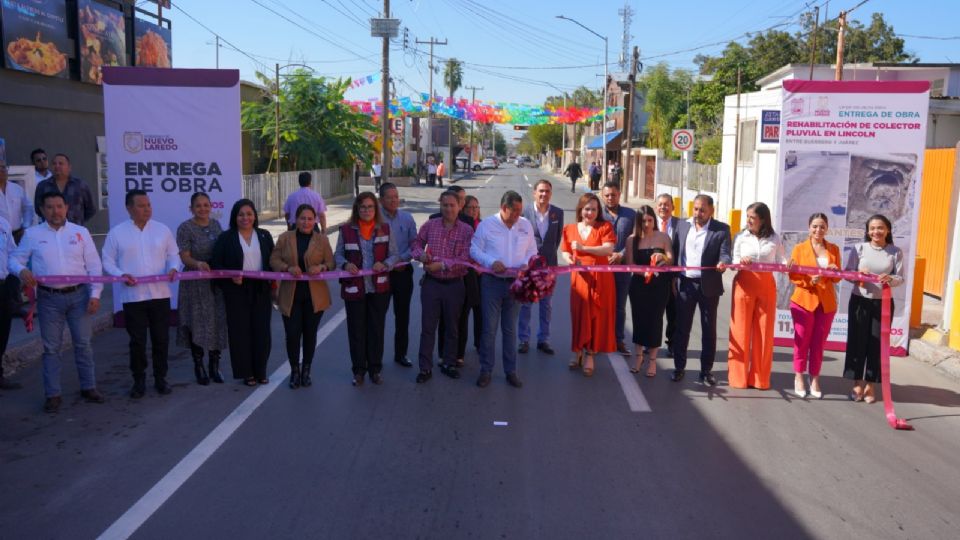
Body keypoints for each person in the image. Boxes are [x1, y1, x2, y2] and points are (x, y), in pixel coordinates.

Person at [10, 192, 104, 412]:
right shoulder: (32, 234)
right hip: (48, 298)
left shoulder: (80, 233)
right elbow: (14, 259)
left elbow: (94, 266)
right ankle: (53, 394)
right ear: (42, 210)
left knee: (83, 344)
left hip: (79, 296)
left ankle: (88, 387)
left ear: (66, 207)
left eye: (59, 206)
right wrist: (22, 270)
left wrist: (95, 295)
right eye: (50, 207)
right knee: (52, 348)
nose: (55, 211)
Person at [102, 190, 180, 398]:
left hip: (160, 295)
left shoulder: (162, 230)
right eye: (141, 205)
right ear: (129, 208)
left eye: (149, 205)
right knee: (137, 341)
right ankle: (138, 381)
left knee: (161, 339)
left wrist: (173, 268)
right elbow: (107, 261)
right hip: (133, 297)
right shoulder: (117, 233)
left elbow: (174, 255)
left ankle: (160, 379)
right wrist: (121, 275)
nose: (147, 209)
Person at [470, 190, 538, 388]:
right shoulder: (487, 225)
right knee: (489, 329)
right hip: (492, 283)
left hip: (515, 284)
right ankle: (486, 370)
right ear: (503, 208)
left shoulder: (525, 225)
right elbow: (474, 250)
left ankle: (511, 371)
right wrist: (491, 262)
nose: (518, 215)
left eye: (520, 210)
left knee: (509, 330)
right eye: (514, 211)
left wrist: (526, 263)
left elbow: (533, 251)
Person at [335, 192, 399, 386]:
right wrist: (345, 265)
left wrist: (385, 264)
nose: (366, 210)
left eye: (370, 207)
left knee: (376, 330)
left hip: (379, 288)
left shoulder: (385, 229)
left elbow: (394, 254)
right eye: (362, 207)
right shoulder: (346, 230)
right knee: (356, 330)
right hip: (355, 288)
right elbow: (337, 255)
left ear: (376, 209)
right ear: (357, 209)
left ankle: (375, 369)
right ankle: (359, 371)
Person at [410, 191, 474, 383]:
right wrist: (420, 255)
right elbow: (415, 244)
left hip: (455, 284)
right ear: (440, 205)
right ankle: (425, 368)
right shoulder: (430, 226)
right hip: (432, 284)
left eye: (452, 205)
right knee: (428, 328)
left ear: (459, 206)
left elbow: (466, 258)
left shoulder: (466, 230)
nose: (448, 209)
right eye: (445, 205)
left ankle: (449, 363)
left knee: (452, 327)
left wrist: (444, 265)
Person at [211, 199, 276, 387]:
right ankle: (247, 373)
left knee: (262, 332)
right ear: (235, 217)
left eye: (249, 214)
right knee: (240, 333)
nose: (245, 218)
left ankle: (261, 371)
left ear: (255, 216)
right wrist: (230, 277)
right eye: (241, 214)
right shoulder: (226, 238)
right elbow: (216, 263)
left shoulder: (264, 235)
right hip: (236, 291)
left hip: (261, 289)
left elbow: (272, 261)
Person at [270, 204, 335, 389]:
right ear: (295, 220)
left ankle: (306, 370)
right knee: (292, 335)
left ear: (315, 220)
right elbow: (273, 260)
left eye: (309, 218)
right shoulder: (285, 238)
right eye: (302, 218)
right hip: (290, 295)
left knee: (309, 334)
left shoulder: (322, 240)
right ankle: (294, 371)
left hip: (314, 296)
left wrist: (321, 267)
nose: (306, 222)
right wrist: (287, 268)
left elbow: (331, 262)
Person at [671, 194, 732, 385]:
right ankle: (679, 368)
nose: (698, 213)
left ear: (711, 210)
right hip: (685, 285)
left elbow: (725, 253)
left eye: (702, 209)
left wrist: (724, 263)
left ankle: (706, 371)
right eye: (696, 209)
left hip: (708, 286)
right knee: (682, 329)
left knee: (708, 330)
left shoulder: (721, 229)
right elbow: (674, 253)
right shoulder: (682, 225)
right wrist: (673, 278)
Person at [844, 214, 904, 404]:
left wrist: (890, 279)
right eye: (872, 228)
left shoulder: (895, 252)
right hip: (859, 302)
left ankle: (871, 384)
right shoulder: (859, 248)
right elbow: (847, 273)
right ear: (868, 231)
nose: (876, 232)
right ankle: (857, 382)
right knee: (857, 342)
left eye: (880, 228)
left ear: (888, 230)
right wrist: (858, 275)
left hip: (883, 304)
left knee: (877, 344)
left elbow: (900, 278)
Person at [727, 202, 786, 390]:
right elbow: (733, 260)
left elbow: (781, 260)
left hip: (766, 287)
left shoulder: (774, 238)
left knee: (764, 333)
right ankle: (738, 378)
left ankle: (760, 379)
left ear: (763, 219)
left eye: (752, 217)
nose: (748, 220)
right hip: (744, 285)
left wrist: (788, 264)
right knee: (740, 332)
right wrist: (741, 262)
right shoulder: (741, 236)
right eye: (747, 217)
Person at [560, 193, 617, 376]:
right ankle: (577, 351)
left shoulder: (605, 227)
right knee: (578, 315)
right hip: (579, 279)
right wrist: (568, 258)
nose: (590, 212)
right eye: (587, 209)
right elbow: (565, 251)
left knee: (595, 316)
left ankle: (590, 355)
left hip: (600, 279)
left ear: (598, 211)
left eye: (594, 209)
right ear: (580, 209)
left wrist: (584, 249)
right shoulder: (569, 228)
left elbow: (608, 249)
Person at [176, 192, 229, 386]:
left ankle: (215, 366)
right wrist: (197, 264)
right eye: (198, 206)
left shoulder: (216, 225)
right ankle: (199, 366)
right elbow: (184, 256)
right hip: (195, 282)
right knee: (196, 323)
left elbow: (223, 249)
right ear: (191, 208)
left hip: (215, 282)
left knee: (217, 321)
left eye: (206, 205)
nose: (203, 209)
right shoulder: (185, 228)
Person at [789, 213, 841, 399]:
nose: (818, 230)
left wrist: (834, 272)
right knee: (802, 340)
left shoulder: (833, 249)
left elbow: (836, 278)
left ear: (827, 228)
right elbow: (793, 275)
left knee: (819, 343)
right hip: (804, 301)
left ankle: (815, 378)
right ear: (809, 227)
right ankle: (799, 377)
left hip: (826, 304)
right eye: (815, 226)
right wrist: (810, 281)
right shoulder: (799, 248)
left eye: (822, 226)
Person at [625, 205, 674, 377]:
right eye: (643, 221)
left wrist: (663, 257)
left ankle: (652, 361)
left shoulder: (663, 237)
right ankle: (638, 357)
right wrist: (643, 272)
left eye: (650, 220)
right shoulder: (632, 239)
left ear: (654, 220)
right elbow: (630, 264)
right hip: (638, 285)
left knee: (655, 321)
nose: (647, 224)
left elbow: (671, 259)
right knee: (639, 321)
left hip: (659, 286)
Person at [518, 179, 563, 355]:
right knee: (526, 305)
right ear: (534, 193)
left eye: (547, 191)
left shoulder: (557, 213)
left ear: (551, 193)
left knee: (546, 305)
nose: (544, 194)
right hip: (528, 266)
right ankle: (524, 339)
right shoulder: (525, 211)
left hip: (549, 267)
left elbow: (556, 239)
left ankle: (543, 339)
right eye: (541, 191)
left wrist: (548, 258)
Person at [379, 182, 417, 368]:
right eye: (390, 197)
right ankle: (375, 358)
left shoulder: (407, 218)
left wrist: (400, 260)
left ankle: (401, 354)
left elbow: (414, 246)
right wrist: (388, 264)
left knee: (402, 316)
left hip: (403, 273)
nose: (394, 200)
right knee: (378, 316)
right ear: (381, 200)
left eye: (396, 196)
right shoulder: (374, 219)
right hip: (381, 274)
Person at [600, 181, 637, 355]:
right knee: (600, 305)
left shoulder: (630, 215)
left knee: (619, 307)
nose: (610, 198)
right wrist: (604, 255)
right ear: (602, 195)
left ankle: (618, 340)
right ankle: (599, 339)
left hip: (622, 269)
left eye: (613, 195)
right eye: (606, 195)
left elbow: (634, 238)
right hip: (601, 268)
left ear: (619, 195)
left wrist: (621, 254)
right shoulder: (596, 214)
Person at [455, 195, 483, 362]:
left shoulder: (484, 226)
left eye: (476, 207)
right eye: (470, 208)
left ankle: (480, 344)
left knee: (480, 312)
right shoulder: (462, 227)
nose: (473, 211)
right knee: (463, 314)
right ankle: (459, 353)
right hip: (466, 275)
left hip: (482, 275)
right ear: (463, 210)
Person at [33, 153, 96, 226]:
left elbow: (91, 209)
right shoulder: (42, 186)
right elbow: (39, 209)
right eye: (54, 164)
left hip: (74, 230)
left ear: (69, 167)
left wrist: (77, 220)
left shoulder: (80, 185)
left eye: (60, 163)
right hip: (51, 231)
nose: (57, 166)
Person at [655, 194, 682, 356]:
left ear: (673, 207)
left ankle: (672, 343)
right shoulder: (650, 224)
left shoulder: (682, 225)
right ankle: (650, 343)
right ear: (656, 207)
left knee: (673, 313)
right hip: (654, 277)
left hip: (673, 277)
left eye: (666, 205)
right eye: (660, 205)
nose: (663, 208)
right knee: (654, 312)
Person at [0, 215, 20, 391]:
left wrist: (15, 279)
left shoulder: (3, 223)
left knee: (3, 332)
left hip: (3, 286)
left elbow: (12, 253)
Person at [0, 159, 33, 243]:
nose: (2, 170)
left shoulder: (16, 188)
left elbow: (28, 208)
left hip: (17, 235)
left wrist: (26, 226)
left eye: (4, 167)